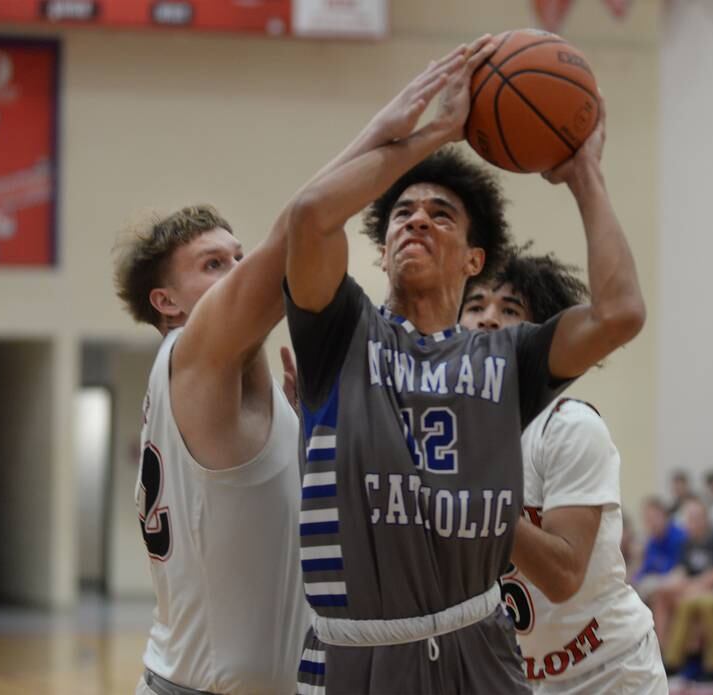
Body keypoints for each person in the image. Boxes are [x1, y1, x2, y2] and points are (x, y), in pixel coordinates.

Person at [284, 34, 645, 695]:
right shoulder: (343, 334)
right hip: (360, 656)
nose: (416, 220)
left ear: (475, 258)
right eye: (402, 212)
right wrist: (426, 136)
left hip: (479, 647)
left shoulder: (507, 356)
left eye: (440, 213)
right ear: (383, 248)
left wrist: (585, 176)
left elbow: (620, 313)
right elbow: (310, 217)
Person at [113, 205, 309, 694]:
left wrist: (310, 440)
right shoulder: (189, 355)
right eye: (213, 264)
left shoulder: (246, 399)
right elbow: (301, 227)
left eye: (239, 256)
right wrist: (398, 137)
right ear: (167, 302)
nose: (240, 270)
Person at [459, 247, 666, 694]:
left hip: (609, 671)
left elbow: (563, 577)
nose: (488, 319)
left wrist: (473, 495)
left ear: (545, 338)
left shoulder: (568, 426)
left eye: (509, 309)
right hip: (516, 677)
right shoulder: (441, 435)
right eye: (474, 306)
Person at [659, 496, 713, 679]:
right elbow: (681, 572)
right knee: (678, 600)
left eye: (697, 517)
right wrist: (666, 584)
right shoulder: (687, 544)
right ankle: (672, 661)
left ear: (706, 518)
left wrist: (689, 589)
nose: (693, 522)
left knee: (705, 602)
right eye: (690, 518)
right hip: (699, 594)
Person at [633, 496, 688, 601]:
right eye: (647, 519)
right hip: (655, 587)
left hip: (675, 587)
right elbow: (641, 572)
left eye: (654, 517)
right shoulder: (651, 541)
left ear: (664, 516)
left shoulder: (680, 537)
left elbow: (680, 573)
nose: (651, 523)